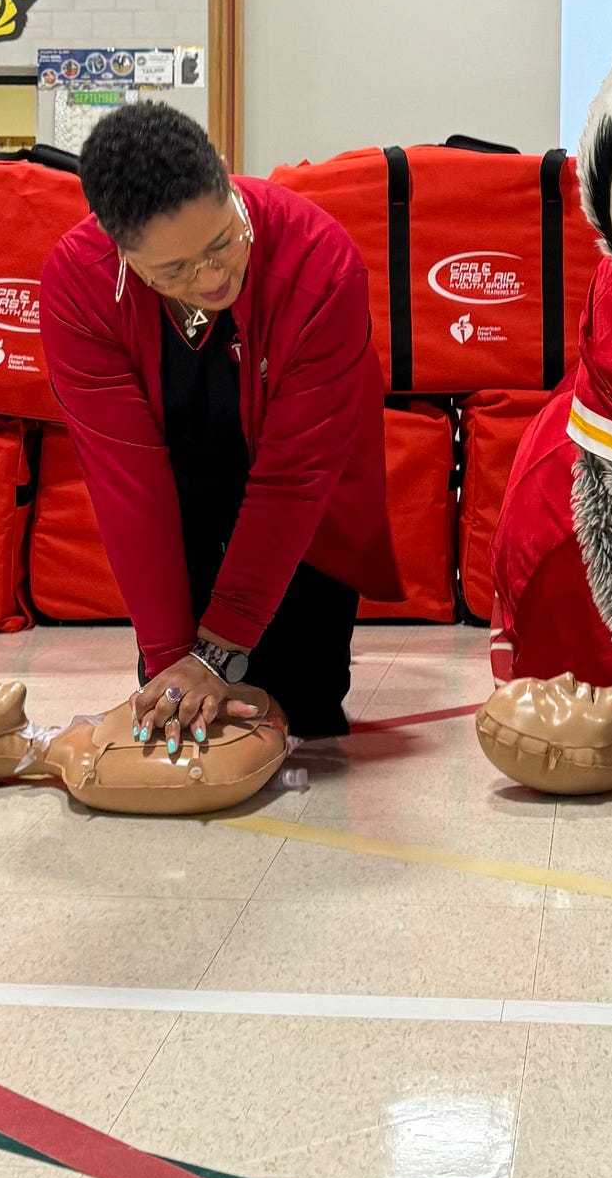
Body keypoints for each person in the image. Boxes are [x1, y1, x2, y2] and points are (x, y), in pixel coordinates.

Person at [40, 103, 401, 745]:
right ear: (119, 247)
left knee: (304, 708)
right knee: (185, 721)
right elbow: (128, 485)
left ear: (227, 177)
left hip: (302, 511)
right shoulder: (80, 284)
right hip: (178, 500)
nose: (210, 278)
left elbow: (294, 478)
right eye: (173, 271)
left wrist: (220, 652)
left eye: (220, 244)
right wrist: (174, 659)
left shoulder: (321, 264)